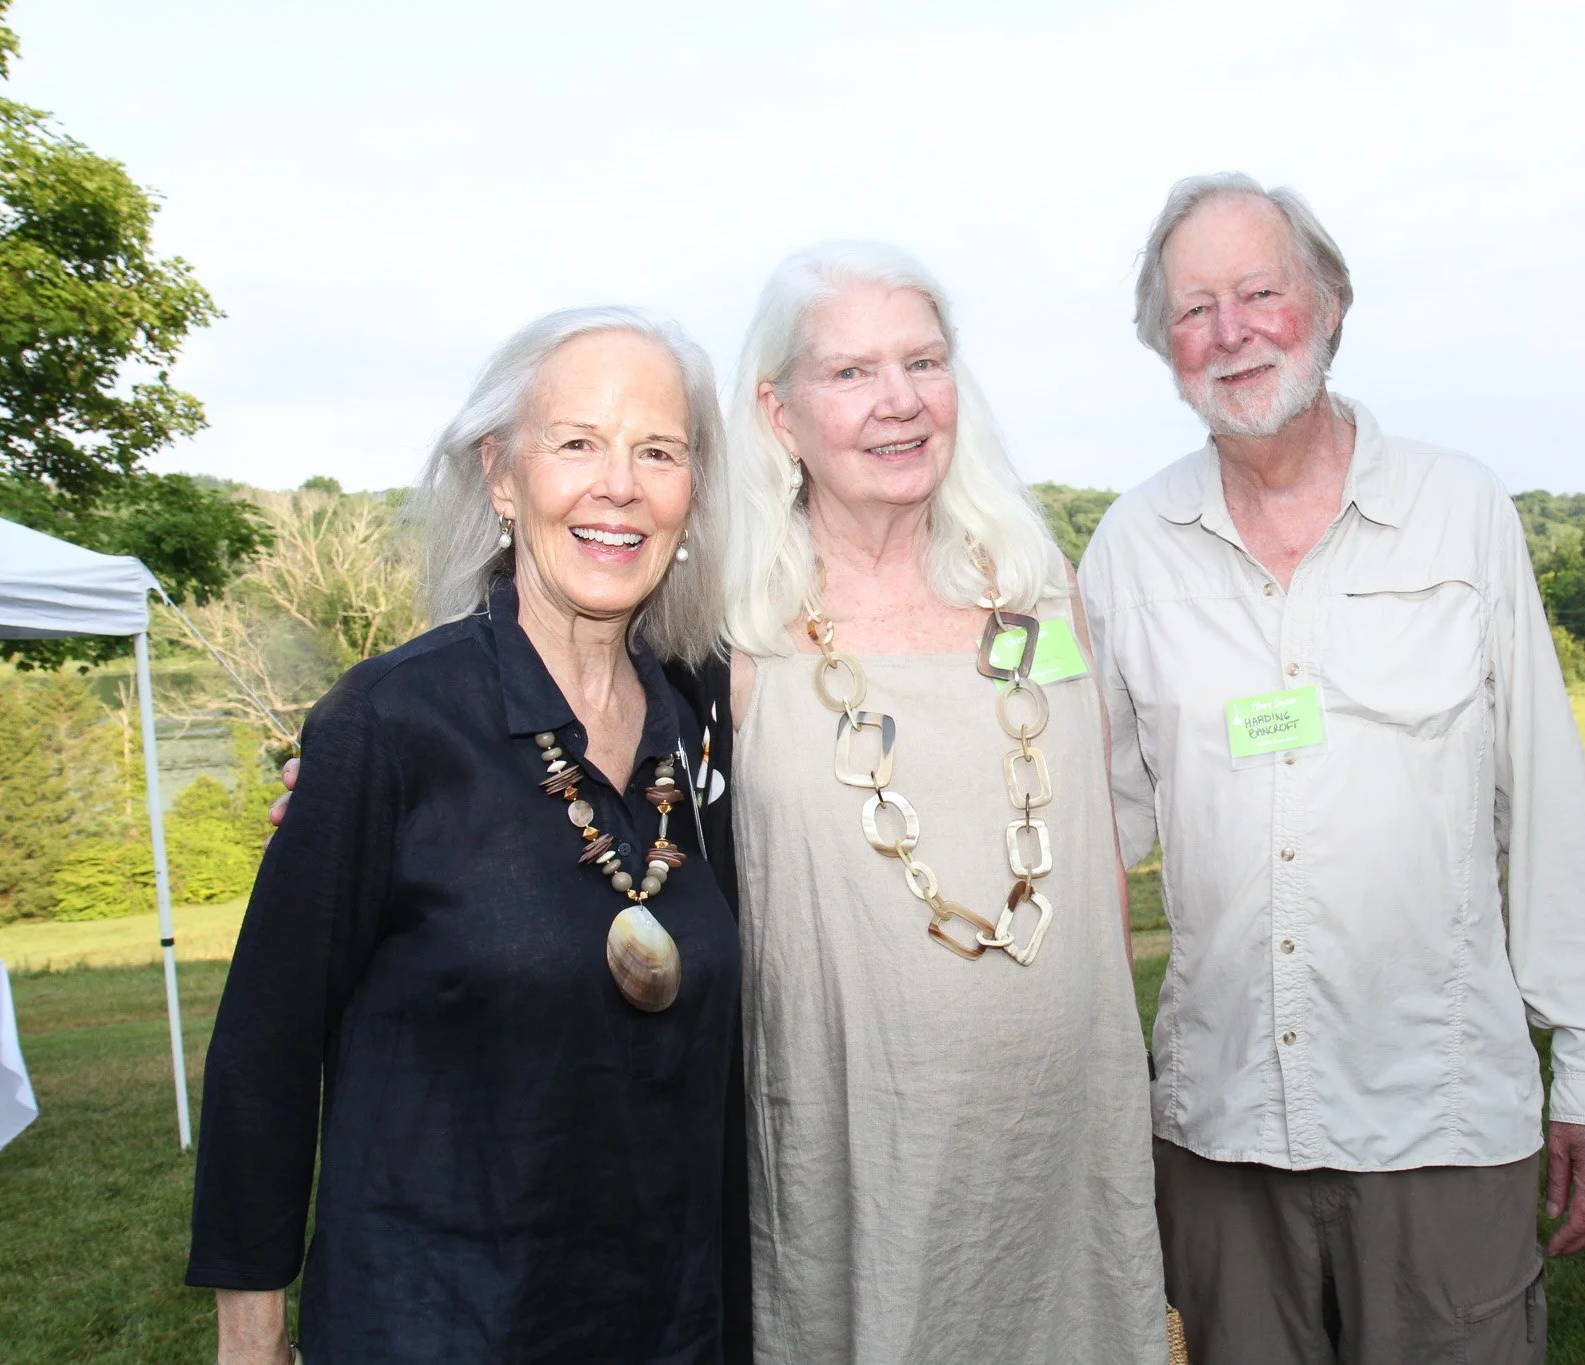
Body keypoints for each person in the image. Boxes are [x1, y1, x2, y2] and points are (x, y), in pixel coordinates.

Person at [1079, 174, 1585, 1364]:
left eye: (1257, 293)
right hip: (1219, 1130)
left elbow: (1543, 808)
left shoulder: (1457, 511)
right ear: (1159, 343)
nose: (1228, 331)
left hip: (1435, 1124)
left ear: (1329, 303)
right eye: (1192, 309)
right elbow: (1086, 833)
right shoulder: (1130, 550)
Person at [188, 307, 748, 1364]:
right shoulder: (389, 725)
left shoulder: (692, 733)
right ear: (499, 475)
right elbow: (264, 1049)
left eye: (658, 451)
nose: (618, 483)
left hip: (662, 1323)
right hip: (440, 1322)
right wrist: (251, 1334)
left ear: (690, 495)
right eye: (576, 441)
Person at [721, 241, 1170, 1362]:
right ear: (778, 414)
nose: (898, 402)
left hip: (1063, 1134)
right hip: (857, 1144)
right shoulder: (731, 626)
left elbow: (1092, 841)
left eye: (922, 362)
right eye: (851, 372)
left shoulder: (1032, 585)